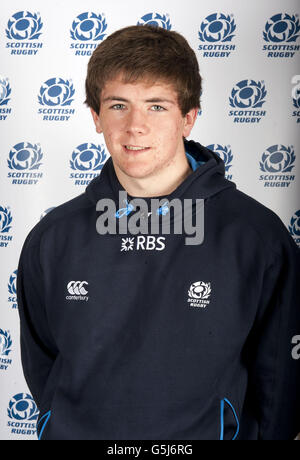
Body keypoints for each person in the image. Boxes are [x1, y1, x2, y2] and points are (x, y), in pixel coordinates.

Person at [17, 25, 300, 440]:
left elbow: (280, 386)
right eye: (118, 105)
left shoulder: (254, 236)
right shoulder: (53, 238)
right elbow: (44, 369)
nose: (135, 126)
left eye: (156, 106)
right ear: (96, 117)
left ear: (188, 118)